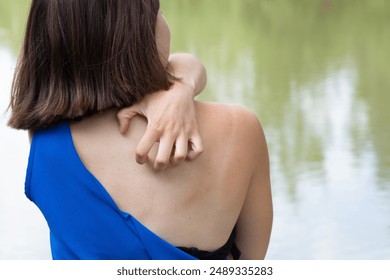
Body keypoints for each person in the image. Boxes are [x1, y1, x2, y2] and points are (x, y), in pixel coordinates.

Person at [8, 0, 272, 260]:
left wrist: (181, 83)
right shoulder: (239, 130)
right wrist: (182, 84)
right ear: (139, 32)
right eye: (160, 10)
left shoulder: (47, 143)